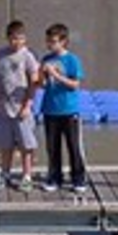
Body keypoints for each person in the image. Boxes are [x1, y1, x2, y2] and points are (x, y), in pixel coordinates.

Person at [0, 20, 40, 192]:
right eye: (13, 38)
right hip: (2, 108)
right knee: (5, 144)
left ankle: (27, 176)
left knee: (26, 144)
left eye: (20, 38)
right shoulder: (0, 55)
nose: (17, 42)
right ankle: (5, 173)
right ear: (7, 38)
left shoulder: (28, 56)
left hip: (21, 108)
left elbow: (34, 82)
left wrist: (28, 105)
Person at [39, 23, 87, 193]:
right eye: (48, 41)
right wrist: (42, 75)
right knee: (53, 147)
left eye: (53, 41)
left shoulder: (72, 60)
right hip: (50, 109)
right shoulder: (46, 59)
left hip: (69, 110)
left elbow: (75, 84)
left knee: (73, 146)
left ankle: (78, 179)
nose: (50, 45)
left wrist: (56, 74)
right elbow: (43, 84)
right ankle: (54, 177)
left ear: (63, 41)